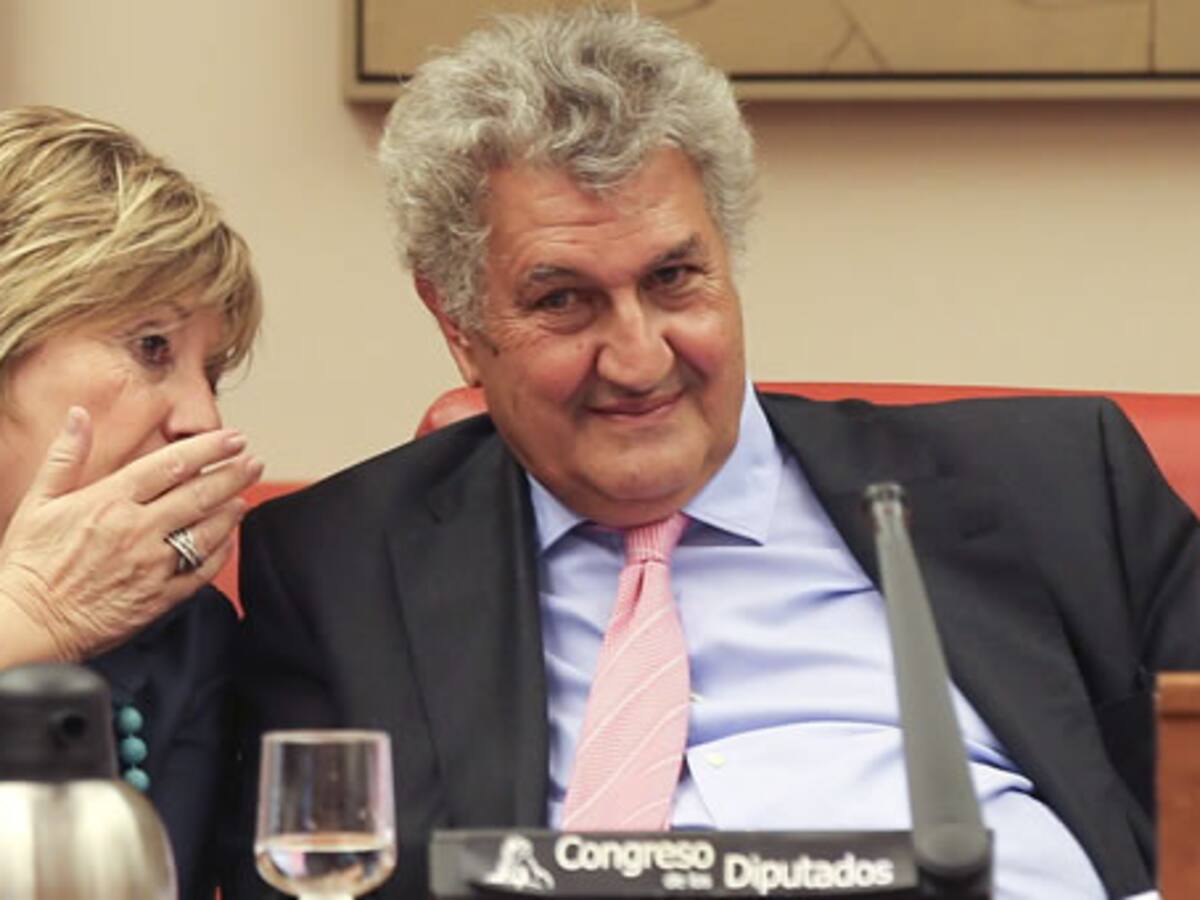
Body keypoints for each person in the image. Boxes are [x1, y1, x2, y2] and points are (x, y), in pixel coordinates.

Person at [222, 9, 1199, 899]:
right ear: (458, 325)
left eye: (674, 279)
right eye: (563, 301)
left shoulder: (1063, 486)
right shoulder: (337, 571)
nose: (639, 358)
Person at [0, 105, 263, 899]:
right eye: (152, 347)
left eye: (211, 372)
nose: (203, 419)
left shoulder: (181, 631)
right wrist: (30, 618)